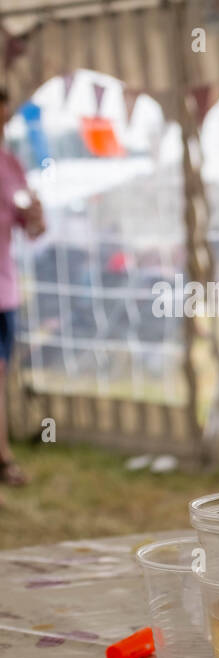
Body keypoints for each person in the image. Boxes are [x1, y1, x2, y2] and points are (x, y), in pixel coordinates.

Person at [0, 86, 42, 494]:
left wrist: (36, 217)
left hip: (5, 292)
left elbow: (31, 230)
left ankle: (4, 456)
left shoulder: (11, 164)